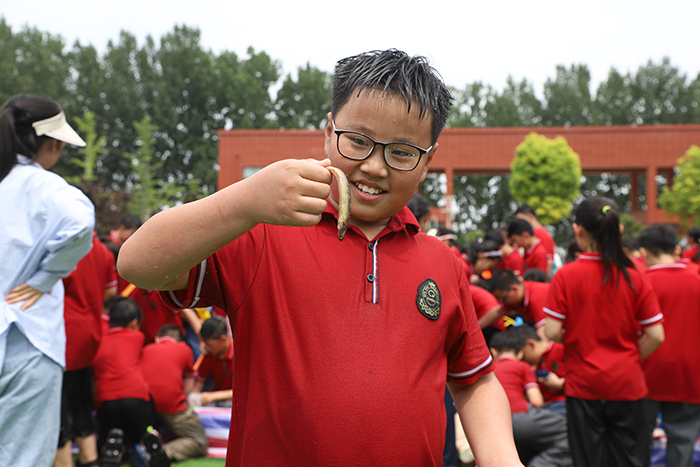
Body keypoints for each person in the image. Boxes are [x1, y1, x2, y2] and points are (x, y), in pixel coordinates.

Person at [119, 49, 523, 466]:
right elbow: (137, 263)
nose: (375, 166)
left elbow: (474, 380)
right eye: (358, 141)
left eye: (402, 152)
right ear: (329, 132)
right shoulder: (263, 235)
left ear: (428, 162)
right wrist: (245, 201)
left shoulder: (443, 263)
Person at [0, 94, 94, 466]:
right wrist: (46, 276)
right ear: (53, 143)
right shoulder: (45, 187)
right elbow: (81, 222)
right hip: (29, 333)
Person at [544, 197, 665, 467]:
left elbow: (551, 331)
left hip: (584, 386)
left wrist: (578, 338)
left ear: (578, 230)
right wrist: (630, 353)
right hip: (628, 383)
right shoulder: (635, 276)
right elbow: (656, 335)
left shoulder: (566, 275)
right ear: (617, 229)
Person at [55, 187, 118, 467]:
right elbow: (109, 295)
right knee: (81, 402)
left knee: (58, 407)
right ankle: (90, 460)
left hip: (63, 335)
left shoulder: (65, 248)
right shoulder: (104, 252)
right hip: (91, 335)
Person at [637, 224, 700, 467]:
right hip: (691, 372)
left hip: (647, 372)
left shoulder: (640, 281)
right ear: (675, 248)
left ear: (644, 251)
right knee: (683, 445)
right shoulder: (696, 277)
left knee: (638, 442)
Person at [92, 297, 168, 466]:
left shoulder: (99, 341)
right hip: (136, 397)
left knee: (109, 431)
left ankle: (111, 446)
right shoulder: (138, 337)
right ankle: (148, 438)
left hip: (106, 400)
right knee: (142, 429)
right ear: (134, 324)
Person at [489, 331, 572, 467]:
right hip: (521, 416)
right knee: (574, 431)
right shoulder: (523, 366)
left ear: (494, 352)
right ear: (520, 354)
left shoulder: (489, 371)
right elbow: (536, 401)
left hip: (495, 425)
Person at [141, 324, 208, 462]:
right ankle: (163, 452)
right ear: (181, 342)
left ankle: (145, 444)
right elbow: (189, 386)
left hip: (145, 407)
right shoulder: (184, 348)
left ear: (157, 338)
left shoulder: (146, 349)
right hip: (172, 407)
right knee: (199, 442)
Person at [507, 325, 566, 417]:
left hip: (564, 405)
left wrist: (560, 384)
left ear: (531, 344)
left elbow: (584, 378)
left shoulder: (561, 349)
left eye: (522, 355)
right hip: (546, 409)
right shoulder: (535, 367)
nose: (521, 360)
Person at [191, 316, 234, 407]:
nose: (205, 347)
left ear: (223, 338)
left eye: (209, 345)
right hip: (215, 401)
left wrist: (213, 396)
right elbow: (198, 386)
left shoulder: (239, 355)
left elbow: (244, 391)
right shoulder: (208, 356)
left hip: (234, 402)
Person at [490, 269, 549, 334]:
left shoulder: (536, 298)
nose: (503, 302)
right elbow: (498, 311)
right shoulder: (515, 298)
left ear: (514, 289)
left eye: (504, 298)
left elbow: (544, 331)